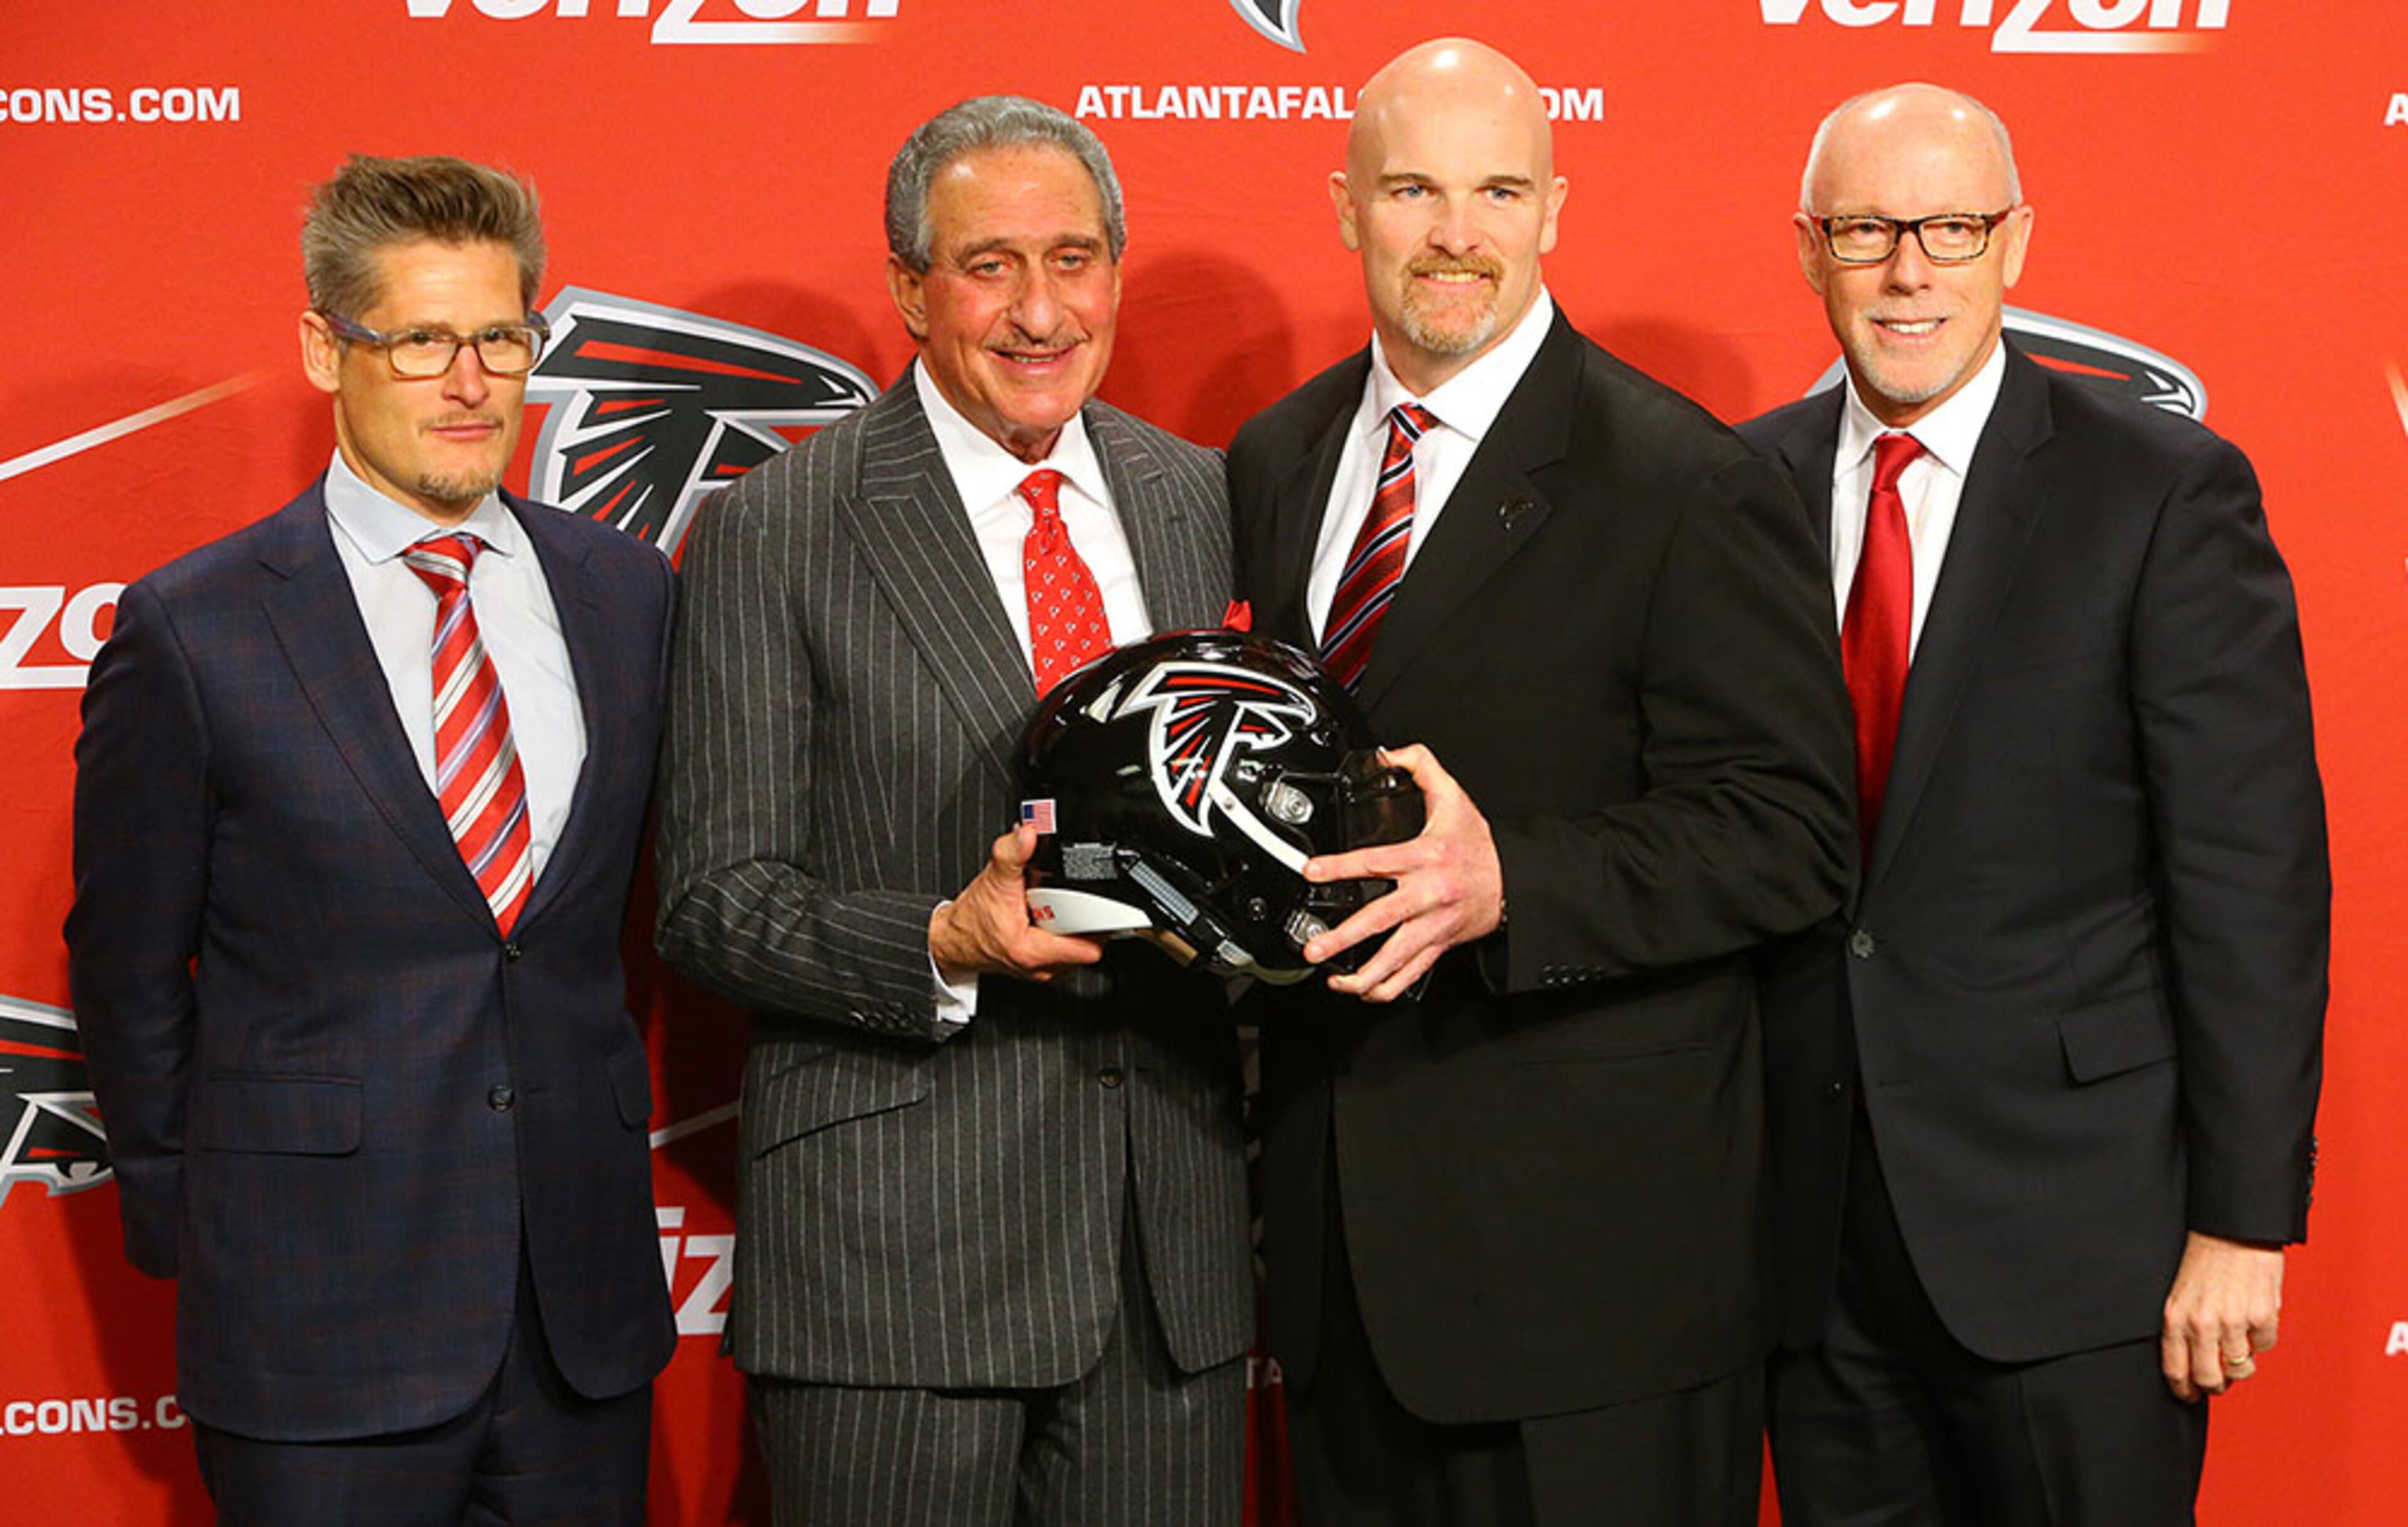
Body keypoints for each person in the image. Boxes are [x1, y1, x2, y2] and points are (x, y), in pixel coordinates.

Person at [1225, 38, 1856, 1527]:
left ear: (1555, 207)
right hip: (1337, 1274)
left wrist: (1514, 880)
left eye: (1499, 188)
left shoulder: (1688, 481)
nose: (1457, 232)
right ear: (1343, 206)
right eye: (1413, 188)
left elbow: (1793, 832)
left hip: (1598, 1292)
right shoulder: (1273, 457)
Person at [653, 96, 1249, 1525]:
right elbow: (710, 897)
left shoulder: (1205, 497)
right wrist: (942, 937)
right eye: (990, 266)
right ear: (911, 289)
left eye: (1076, 258)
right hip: (893, 1267)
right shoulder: (778, 525)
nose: (1041, 310)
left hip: (1165, 1261)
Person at [1740, 83, 2328, 1525]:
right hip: (1811, 1255)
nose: (1909, 270)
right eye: (1868, 228)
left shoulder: (2161, 492)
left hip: (2083, 1251)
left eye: (1950, 225)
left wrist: (2242, 1226)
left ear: (2016, 241)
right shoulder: (1735, 490)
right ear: (1809, 249)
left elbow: (2251, 881)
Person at [66, 154, 677, 1525]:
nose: (471, 383)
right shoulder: (197, 626)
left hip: (579, 1316)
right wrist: (202, 1224)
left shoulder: (627, 594)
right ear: (323, 348)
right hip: (312, 1321)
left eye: (503, 338)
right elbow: (125, 964)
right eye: (419, 341)